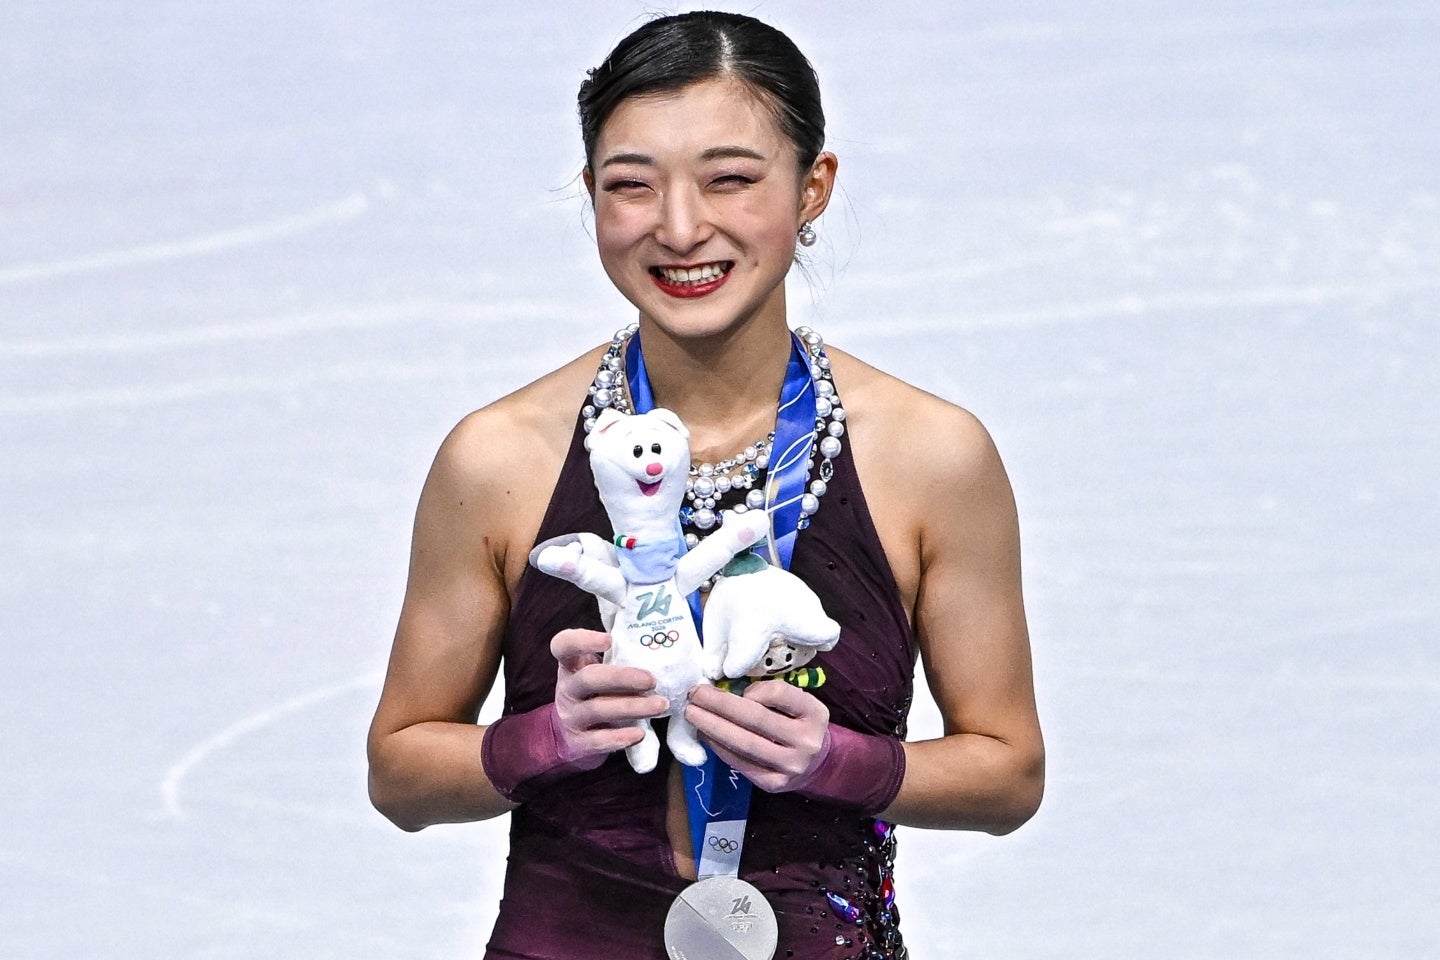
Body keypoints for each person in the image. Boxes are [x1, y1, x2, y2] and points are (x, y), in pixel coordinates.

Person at [367, 11, 1043, 959]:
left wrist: (843, 762)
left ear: (815, 188)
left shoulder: (932, 455)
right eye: (631, 187)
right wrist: (545, 739)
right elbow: (399, 773)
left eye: (729, 179)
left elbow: (1009, 776)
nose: (681, 228)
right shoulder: (498, 459)